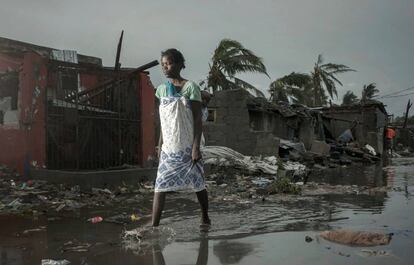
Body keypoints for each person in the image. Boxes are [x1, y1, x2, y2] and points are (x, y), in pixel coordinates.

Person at [152, 48, 210, 227]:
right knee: (160, 186)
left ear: (178, 64)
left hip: (187, 147)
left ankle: (204, 217)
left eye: (168, 63)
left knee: (198, 184)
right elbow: (164, 120)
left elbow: (197, 119)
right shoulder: (161, 90)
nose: (165, 67)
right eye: (163, 65)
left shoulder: (190, 87)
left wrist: (195, 147)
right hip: (170, 148)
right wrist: (159, 144)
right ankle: (155, 226)